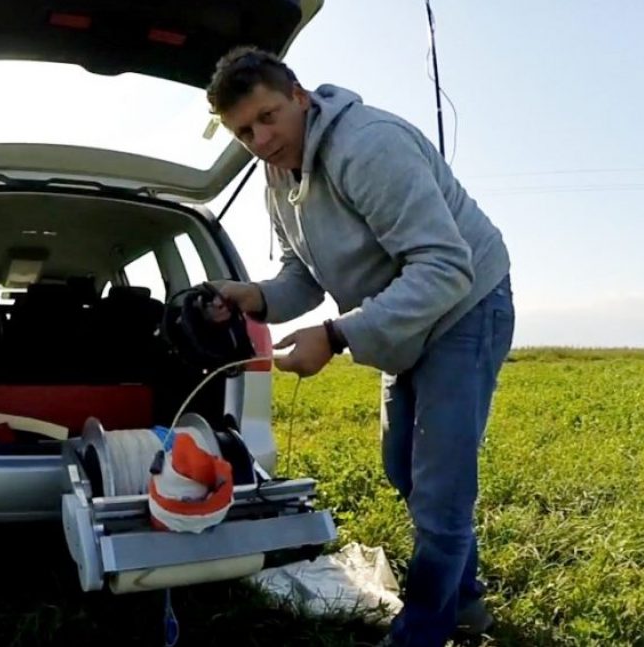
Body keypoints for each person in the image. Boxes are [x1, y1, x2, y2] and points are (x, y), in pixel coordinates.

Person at [204, 46, 515, 647]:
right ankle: (467, 600)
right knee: (402, 465)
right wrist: (253, 296)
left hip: (466, 305)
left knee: (440, 488)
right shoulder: (277, 173)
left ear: (299, 95)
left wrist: (337, 335)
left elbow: (445, 267)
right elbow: (303, 275)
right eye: (244, 131)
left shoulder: (370, 146)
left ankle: (423, 630)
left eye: (268, 117)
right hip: (402, 318)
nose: (261, 140)